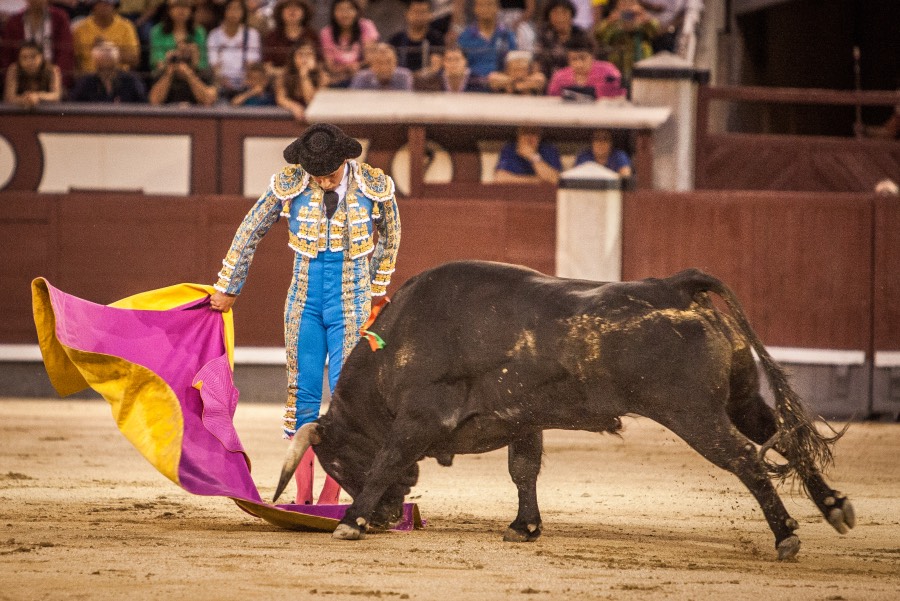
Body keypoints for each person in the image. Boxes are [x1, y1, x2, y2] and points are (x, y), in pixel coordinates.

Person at [209, 123, 401, 506]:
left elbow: (391, 235)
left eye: (330, 173)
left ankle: (334, 494)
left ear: (345, 160)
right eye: (317, 174)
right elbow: (250, 229)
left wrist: (376, 289)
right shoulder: (291, 182)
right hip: (303, 298)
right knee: (303, 394)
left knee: (347, 396)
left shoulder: (373, 185)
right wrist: (229, 285)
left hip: (352, 298)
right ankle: (302, 496)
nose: (324, 181)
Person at [0, 0, 74, 86]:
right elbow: (6, 56)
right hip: (21, 80)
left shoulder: (60, 18)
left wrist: (58, 81)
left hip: (52, 79)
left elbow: (66, 53)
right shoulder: (14, 21)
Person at [594, 0, 658, 88]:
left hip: (641, 64)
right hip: (617, 66)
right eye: (623, 4)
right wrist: (610, 21)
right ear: (616, 7)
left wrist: (645, 18)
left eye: (631, 3)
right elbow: (599, 36)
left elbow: (656, 32)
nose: (627, 7)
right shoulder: (613, 22)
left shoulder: (642, 20)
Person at [207, 0, 261, 97]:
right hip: (221, 84)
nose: (233, 13)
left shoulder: (252, 34)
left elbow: (252, 63)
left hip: (246, 83)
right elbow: (214, 64)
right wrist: (223, 80)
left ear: (243, 12)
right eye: (230, 9)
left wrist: (244, 83)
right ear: (224, 11)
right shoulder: (214, 35)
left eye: (237, 9)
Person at [319, 0, 379, 87]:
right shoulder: (326, 33)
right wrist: (348, 69)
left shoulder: (366, 26)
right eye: (340, 10)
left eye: (349, 9)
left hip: (365, 76)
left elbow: (370, 58)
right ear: (333, 13)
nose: (345, 14)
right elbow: (330, 66)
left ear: (357, 11)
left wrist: (356, 67)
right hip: (337, 79)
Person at [72, 0, 140, 73]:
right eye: (100, 3)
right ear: (93, 6)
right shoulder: (80, 29)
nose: (104, 6)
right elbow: (74, 60)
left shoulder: (126, 27)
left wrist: (108, 49)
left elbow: (134, 59)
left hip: (118, 78)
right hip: (89, 78)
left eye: (108, 3)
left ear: (114, 6)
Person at [546, 36, 623, 99]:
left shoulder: (609, 72)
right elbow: (553, 102)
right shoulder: (559, 77)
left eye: (583, 58)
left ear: (592, 56)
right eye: (574, 59)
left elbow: (620, 98)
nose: (579, 64)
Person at [456, 0, 515, 80]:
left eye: (489, 4)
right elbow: (460, 66)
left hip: (501, 84)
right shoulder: (465, 36)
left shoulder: (507, 35)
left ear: (497, 8)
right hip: (473, 85)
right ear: (475, 9)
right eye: (481, 5)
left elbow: (514, 64)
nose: (485, 8)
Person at [70, 40, 147, 101]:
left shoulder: (132, 82)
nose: (106, 74)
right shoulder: (85, 83)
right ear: (95, 63)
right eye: (102, 70)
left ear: (117, 61)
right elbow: (73, 106)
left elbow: (143, 105)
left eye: (110, 69)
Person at [534, 0, 593, 79]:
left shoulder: (582, 36)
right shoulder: (544, 35)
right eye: (555, 13)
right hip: (547, 79)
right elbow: (537, 60)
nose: (560, 17)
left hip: (575, 80)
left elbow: (588, 62)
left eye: (564, 12)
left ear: (571, 14)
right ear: (549, 16)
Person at [148, 39, 218, 104]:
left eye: (190, 52)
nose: (186, 56)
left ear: (198, 56)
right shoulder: (165, 73)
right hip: (169, 114)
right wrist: (169, 73)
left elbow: (209, 100)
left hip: (196, 115)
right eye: (183, 52)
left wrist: (189, 75)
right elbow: (154, 101)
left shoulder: (204, 74)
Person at [149, 0, 209, 72]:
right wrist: (171, 57)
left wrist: (194, 56)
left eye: (186, 6)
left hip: (193, 74)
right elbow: (156, 62)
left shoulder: (199, 31)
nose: (181, 10)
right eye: (177, 5)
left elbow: (202, 64)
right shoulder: (157, 31)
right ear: (169, 10)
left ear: (191, 10)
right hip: (166, 74)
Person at [261, 0, 319, 71]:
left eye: (297, 7)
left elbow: (319, 64)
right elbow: (267, 67)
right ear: (280, 12)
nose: (292, 11)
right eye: (287, 7)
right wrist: (288, 74)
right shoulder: (272, 36)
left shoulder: (312, 35)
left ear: (304, 12)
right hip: (278, 79)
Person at [388, 0, 443, 73]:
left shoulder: (437, 39)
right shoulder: (395, 40)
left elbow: (436, 67)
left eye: (423, 12)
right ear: (407, 14)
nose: (419, 16)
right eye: (415, 12)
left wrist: (416, 76)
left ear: (430, 15)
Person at [275, 40, 326, 119]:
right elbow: (281, 99)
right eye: (300, 54)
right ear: (293, 58)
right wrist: (294, 106)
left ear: (315, 58)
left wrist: (304, 75)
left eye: (309, 54)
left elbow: (311, 101)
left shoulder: (322, 77)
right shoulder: (283, 76)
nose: (305, 59)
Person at [494, 125, 561, 185]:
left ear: (539, 136)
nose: (529, 138)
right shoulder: (510, 148)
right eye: (525, 133)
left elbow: (555, 180)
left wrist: (533, 156)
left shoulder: (548, 149)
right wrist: (536, 181)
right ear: (519, 136)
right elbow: (500, 178)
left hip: (543, 196)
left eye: (533, 133)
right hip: (515, 194)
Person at [3, 39, 61, 106]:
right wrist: (25, 99)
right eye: (24, 57)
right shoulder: (14, 70)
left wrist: (37, 96)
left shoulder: (52, 70)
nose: (29, 62)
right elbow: (9, 98)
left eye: (33, 57)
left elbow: (56, 96)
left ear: (42, 57)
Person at [413, 44, 486, 92]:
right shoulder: (435, 79)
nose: (453, 63)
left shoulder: (476, 80)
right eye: (449, 60)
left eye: (457, 59)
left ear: (465, 62)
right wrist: (431, 71)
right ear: (443, 63)